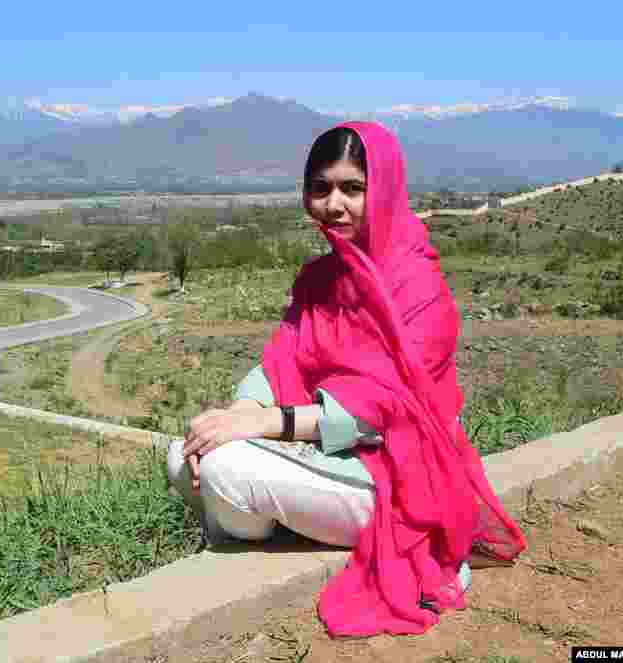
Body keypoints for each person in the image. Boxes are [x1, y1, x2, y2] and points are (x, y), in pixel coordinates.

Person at [167, 122, 526, 638]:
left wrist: (264, 425)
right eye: (320, 188)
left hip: (398, 483)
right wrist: (240, 414)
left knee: (223, 463)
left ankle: (270, 520)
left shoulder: (419, 288)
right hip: (328, 459)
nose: (334, 204)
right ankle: (268, 515)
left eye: (352, 188)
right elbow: (279, 360)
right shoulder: (321, 279)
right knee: (185, 451)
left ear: (384, 190)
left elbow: (378, 411)